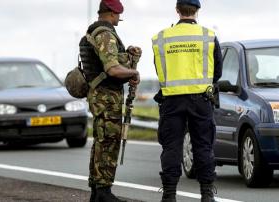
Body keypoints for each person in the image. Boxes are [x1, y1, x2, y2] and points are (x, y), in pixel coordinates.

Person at [151, 0, 223, 201]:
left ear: (177, 11)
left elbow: (159, 70)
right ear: (197, 11)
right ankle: (207, 194)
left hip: (171, 101)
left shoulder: (161, 38)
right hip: (201, 100)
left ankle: (169, 194)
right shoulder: (208, 37)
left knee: (171, 146)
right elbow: (217, 72)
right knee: (203, 146)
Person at [80, 0, 141, 201]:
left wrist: (127, 54)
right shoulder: (105, 34)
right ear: (112, 13)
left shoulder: (94, 32)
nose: (118, 20)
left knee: (101, 141)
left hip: (100, 96)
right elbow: (112, 69)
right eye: (118, 15)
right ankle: (103, 192)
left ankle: (97, 191)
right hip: (107, 98)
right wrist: (133, 71)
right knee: (108, 143)